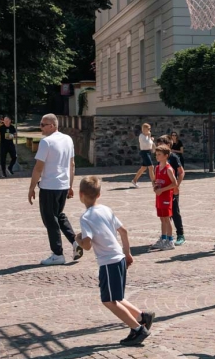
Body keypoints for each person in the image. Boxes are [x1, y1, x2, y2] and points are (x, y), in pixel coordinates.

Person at [76, 176, 154, 346]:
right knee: (116, 297)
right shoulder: (106, 209)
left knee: (108, 300)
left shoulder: (86, 217)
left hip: (108, 262)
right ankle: (142, 316)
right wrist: (127, 253)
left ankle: (138, 329)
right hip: (119, 257)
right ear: (99, 194)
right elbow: (123, 231)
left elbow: (87, 245)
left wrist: (78, 240)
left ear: (80, 195)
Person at [29, 114, 81, 265]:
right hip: (63, 185)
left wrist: (31, 187)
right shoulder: (68, 139)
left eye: (43, 124)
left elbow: (38, 168)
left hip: (49, 186)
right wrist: (70, 185)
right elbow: (72, 165)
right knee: (58, 215)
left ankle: (57, 254)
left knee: (50, 219)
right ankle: (75, 241)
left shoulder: (46, 142)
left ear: (52, 125)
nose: (40, 127)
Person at [157, 134, 186, 245]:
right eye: (158, 145)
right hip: (163, 191)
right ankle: (166, 236)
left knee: (174, 212)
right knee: (164, 214)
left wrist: (176, 186)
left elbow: (181, 172)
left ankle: (180, 234)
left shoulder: (173, 157)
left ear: (168, 145)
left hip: (171, 190)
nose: (159, 147)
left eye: (161, 144)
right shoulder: (160, 157)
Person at [150, 146, 179, 251]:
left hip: (166, 197)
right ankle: (163, 238)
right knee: (162, 218)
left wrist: (162, 189)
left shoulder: (168, 169)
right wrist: (155, 186)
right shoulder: (157, 168)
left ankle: (170, 241)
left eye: (159, 154)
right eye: (156, 154)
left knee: (167, 218)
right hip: (159, 196)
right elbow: (156, 180)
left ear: (166, 156)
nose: (157, 156)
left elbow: (174, 183)